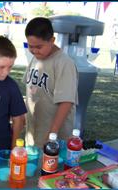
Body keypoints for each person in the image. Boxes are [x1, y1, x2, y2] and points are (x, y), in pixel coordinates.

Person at [23, 17, 78, 148]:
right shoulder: (36, 58)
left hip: (53, 137)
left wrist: (52, 134)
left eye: (39, 46)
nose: (34, 50)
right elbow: (30, 89)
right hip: (34, 132)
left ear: (52, 40)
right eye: (30, 46)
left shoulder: (64, 63)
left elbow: (66, 102)